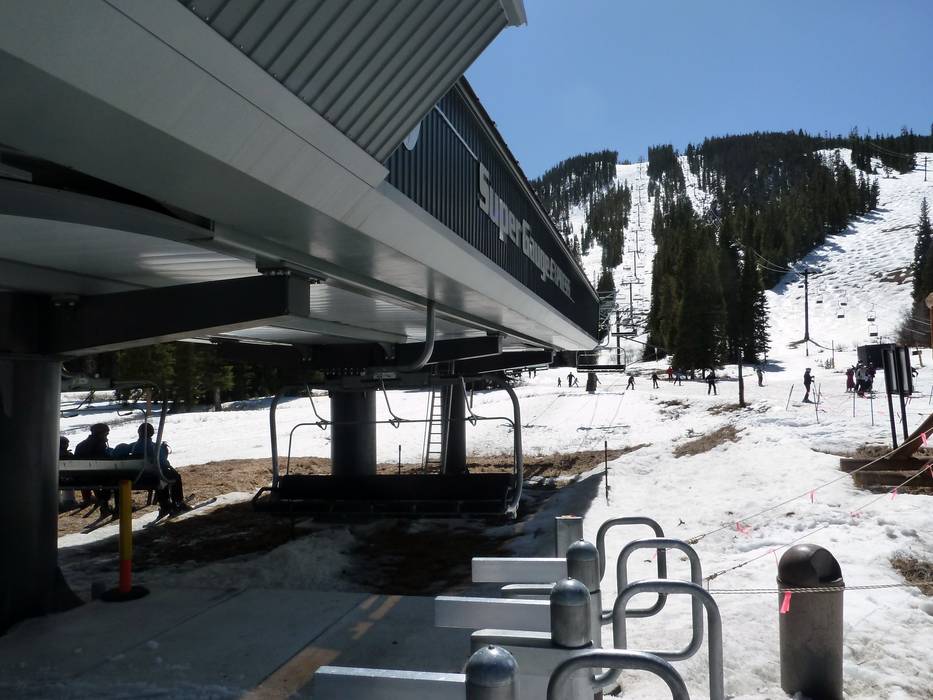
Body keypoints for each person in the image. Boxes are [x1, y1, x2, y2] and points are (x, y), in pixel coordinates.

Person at [129, 423, 188, 515]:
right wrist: (164, 453)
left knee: (163, 475)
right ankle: (178, 502)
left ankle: (165, 504)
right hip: (153, 476)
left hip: (140, 476)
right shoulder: (153, 446)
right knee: (174, 476)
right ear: (152, 433)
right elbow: (162, 462)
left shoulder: (135, 446)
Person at [74, 423, 114, 513]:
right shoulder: (99, 446)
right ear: (101, 433)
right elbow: (106, 463)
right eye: (106, 434)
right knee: (113, 478)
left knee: (95, 476)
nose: (107, 436)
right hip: (97, 478)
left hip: (81, 479)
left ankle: (96, 499)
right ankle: (108, 504)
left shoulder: (80, 445)